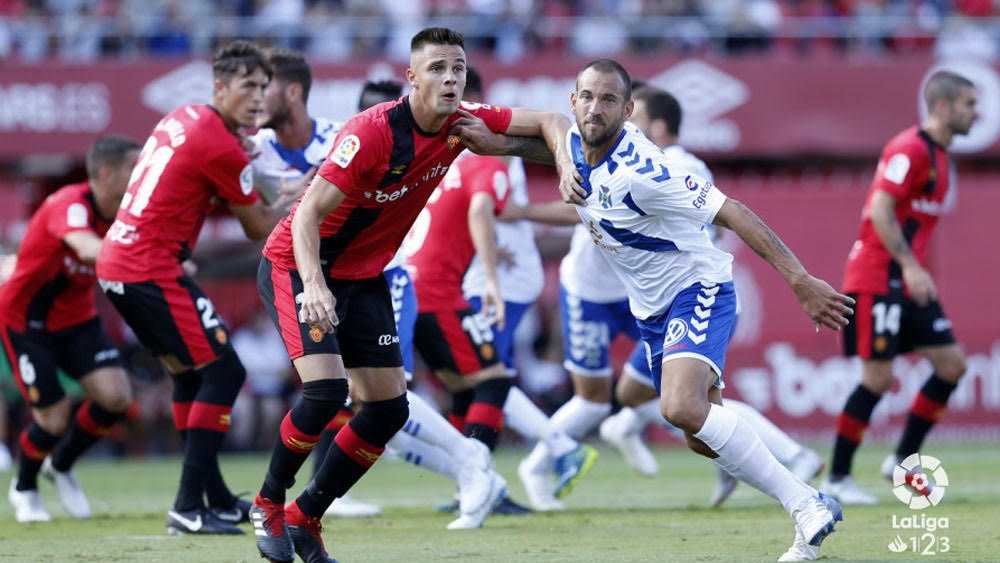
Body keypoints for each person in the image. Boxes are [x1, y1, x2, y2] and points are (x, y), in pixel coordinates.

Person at [251, 27, 577, 562]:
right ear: (412, 78)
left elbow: (551, 121)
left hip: (364, 275)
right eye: (437, 69)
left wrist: (562, 160)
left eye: (458, 68)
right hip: (299, 264)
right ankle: (267, 503)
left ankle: (305, 517)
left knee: (387, 410)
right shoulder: (371, 132)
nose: (450, 78)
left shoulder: (461, 121)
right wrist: (314, 285)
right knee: (327, 392)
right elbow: (306, 215)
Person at [556, 59, 851, 561]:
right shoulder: (575, 148)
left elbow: (734, 212)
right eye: (587, 97)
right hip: (651, 309)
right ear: (573, 101)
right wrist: (458, 125)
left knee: (678, 407)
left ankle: (804, 502)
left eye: (609, 100)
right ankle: (807, 501)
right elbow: (533, 126)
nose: (595, 108)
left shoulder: (652, 170)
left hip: (696, 288)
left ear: (629, 111)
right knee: (698, 435)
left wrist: (799, 280)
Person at [96, 41, 292, 535]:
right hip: (148, 268)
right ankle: (187, 506)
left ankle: (215, 498)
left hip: (125, 262)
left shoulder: (184, 116)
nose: (258, 97)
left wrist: (242, 158)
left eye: (263, 87)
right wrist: (306, 196)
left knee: (190, 378)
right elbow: (257, 226)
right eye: (247, 86)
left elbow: (193, 170)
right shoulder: (220, 146)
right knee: (224, 374)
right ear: (220, 87)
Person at [598, 86, 824, 507]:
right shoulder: (629, 163)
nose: (626, 127)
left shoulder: (672, 165)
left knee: (681, 404)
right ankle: (744, 461)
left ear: (657, 126)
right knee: (652, 400)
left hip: (696, 292)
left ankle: (794, 461)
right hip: (664, 303)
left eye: (636, 118)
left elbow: (725, 216)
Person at [821, 71, 976, 506]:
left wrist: (913, 270)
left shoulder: (941, 156)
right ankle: (837, 477)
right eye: (968, 104)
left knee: (952, 365)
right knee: (878, 378)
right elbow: (879, 208)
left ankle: (902, 460)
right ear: (942, 106)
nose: (975, 113)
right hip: (877, 276)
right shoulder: (909, 148)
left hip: (907, 280)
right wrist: (909, 265)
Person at [2, 136, 140, 523]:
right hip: (27, 322)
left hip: (77, 319)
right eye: (133, 167)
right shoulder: (69, 203)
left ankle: (61, 464)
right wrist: (143, 254)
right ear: (106, 173)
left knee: (116, 398)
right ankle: (24, 488)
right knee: (54, 417)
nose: (141, 174)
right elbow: (86, 248)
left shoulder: (129, 211)